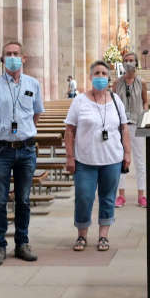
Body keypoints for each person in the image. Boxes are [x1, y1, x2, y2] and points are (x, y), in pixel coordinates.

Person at [0, 41, 44, 265]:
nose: (12, 57)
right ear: (2, 59)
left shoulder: (34, 84)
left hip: (26, 149)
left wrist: (22, 133)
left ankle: (22, 243)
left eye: (16, 53)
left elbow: (36, 114)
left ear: (24, 58)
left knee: (23, 200)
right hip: (1, 150)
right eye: (8, 54)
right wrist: (3, 132)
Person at [64, 61, 131, 253]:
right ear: (91, 77)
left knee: (108, 198)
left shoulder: (116, 100)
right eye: (97, 73)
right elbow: (69, 130)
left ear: (108, 78)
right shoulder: (80, 101)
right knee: (84, 197)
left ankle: (103, 235)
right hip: (85, 160)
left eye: (103, 73)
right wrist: (70, 156)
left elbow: (124, 128)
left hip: (112, 158)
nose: (100, 76)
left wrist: (127, 153)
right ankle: (82, 234)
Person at [112, 51, 148, 207]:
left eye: (131, 60)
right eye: (126, 60)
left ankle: (142, 194)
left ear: (136, 63)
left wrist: (144, 115)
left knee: (140, 161)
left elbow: (145, 102)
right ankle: (121, 195)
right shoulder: (117, 83)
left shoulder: (142, 82)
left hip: (136, 125)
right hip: (120, 126)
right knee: (121, 161)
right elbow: (112, 102)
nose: (128, 63)